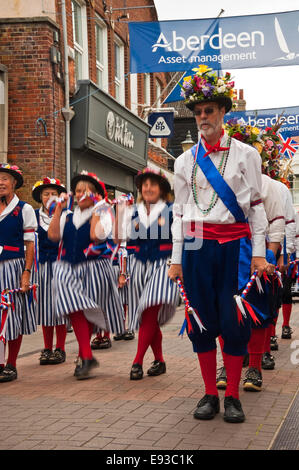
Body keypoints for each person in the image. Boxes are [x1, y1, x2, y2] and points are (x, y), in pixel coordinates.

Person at [168, 67, 268, 423]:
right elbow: (179, 214)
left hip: (235, 246)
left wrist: (258, 253)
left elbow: (256, 208)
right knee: (202, 320)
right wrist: (177, 258)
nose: (203, 117)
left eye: (209, 110)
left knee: (233, 319)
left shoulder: (246, 155)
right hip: (196, 246)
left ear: (223, 112)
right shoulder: (183, 161)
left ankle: (234, 395)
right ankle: (210, 393)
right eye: (198, 112)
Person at [217, 122, 286, 391]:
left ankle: (254, 368)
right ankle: (228, 363)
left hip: (257, 255)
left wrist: (268, 258)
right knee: (225, 311)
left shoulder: (271, 187)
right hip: (225, 251)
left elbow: (277, 226)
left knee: (255, 312)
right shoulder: (222, 180)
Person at [48, 171, 124, 379]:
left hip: (94, 268)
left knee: (87, 313)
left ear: (96, 195)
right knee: (74, 308)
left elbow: (95, 236)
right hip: (68, 268)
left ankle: (85, 356)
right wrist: (58, 210)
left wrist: (98, 209)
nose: (81, 194)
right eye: (78, 191)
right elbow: (53, 236)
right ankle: (87, 356)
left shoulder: (105, 215)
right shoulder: (67, 215)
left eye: (86, 191)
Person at [115, 167, 179, 380]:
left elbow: (184, 241)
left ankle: (137, 361)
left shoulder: (173, 209)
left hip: (164, 264)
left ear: (162, 188)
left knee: (150, 310)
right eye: (144, 184)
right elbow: (123, 242)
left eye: (152, 184)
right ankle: (159, 360)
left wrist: (180, 267)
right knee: (145, 316)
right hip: (138, 265)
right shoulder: (133, 211)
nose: (148, 188)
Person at [0, 163, 37, 382]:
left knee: (12, 317)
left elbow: (30, 244)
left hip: (13, 267)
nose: (1, 183)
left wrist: (26, 272)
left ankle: (11, 364)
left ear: (14, 183)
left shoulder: (23, 209)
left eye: (5, 178)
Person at [32, 177, 68, 365]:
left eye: (54, 194)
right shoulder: (34, 215)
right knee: (45, 306)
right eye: (46, 194)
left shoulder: (66, 215)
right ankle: (47, 348)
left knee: (60, 307)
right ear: (40, 197)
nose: (50, 197)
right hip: (42, 267)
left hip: (62, 267)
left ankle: (60, 347)